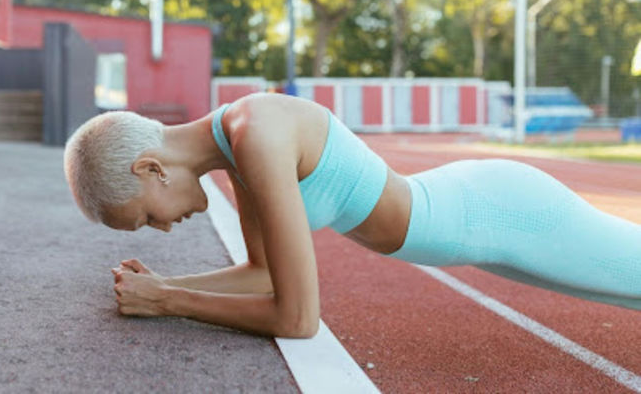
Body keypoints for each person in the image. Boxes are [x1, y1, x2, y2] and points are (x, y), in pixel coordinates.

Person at [62, 93, 641, 338]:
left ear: (151, 170)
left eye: (144, 218)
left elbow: (298, 318)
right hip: (473, 215)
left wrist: (169, 301)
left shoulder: (257, 137)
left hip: (500, 212)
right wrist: (164, 285)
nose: (161, 229)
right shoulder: (236, 150)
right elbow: (265, 274)